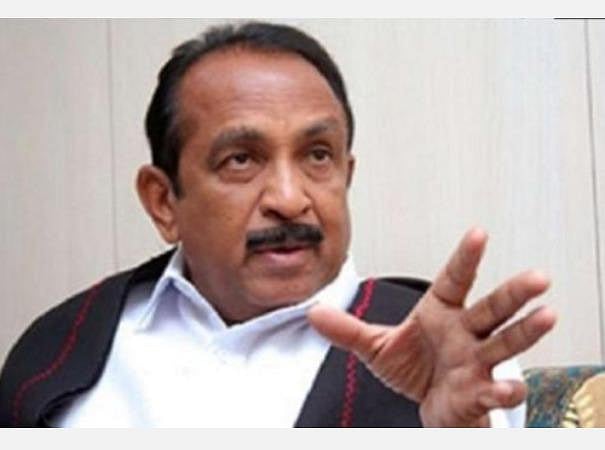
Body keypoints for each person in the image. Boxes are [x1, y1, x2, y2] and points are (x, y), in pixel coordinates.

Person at [0, 21, 556, 428]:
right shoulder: (58, 354)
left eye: (318, 155)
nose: (290, 200)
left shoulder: (453, 363)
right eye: (241, 159)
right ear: (163, 201)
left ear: (346, 175)